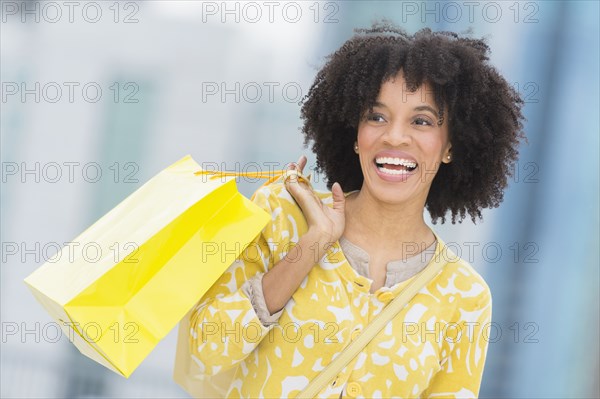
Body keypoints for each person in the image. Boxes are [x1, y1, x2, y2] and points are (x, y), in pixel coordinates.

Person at [186, 22, 525, 398]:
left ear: (450, 147)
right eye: (376, 116)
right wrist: (312, 245)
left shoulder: (465, 297)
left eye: (421, 121)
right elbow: (208, 350)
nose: (394, 136)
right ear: (355, 136)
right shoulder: (282, 215)